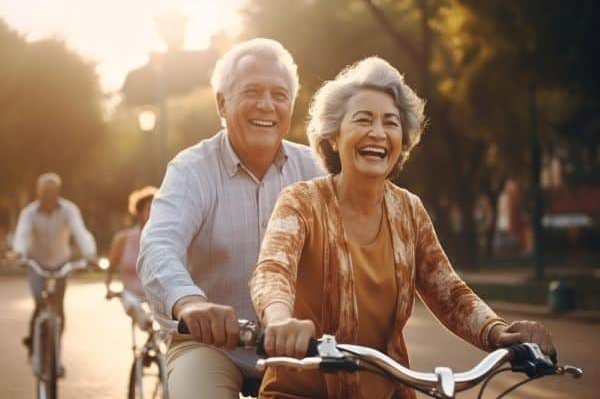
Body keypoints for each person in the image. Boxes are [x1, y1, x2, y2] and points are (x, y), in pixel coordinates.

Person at [250, 57, 555, 399]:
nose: (378, 133)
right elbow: (273, 270)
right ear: (333, 137)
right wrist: (279, 320)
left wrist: (499, 333)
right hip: (298, 392)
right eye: (363, 119)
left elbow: (449, 292)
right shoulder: (301, 201)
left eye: (391, 123)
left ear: (402, 141)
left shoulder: (410, 210)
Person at [137, 38, 323, 399]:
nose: (266, 104)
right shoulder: (191, 170)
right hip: (209, 346)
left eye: (279, 94)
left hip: (297, 350)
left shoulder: (315, 169)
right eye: (251, 91)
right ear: (222, 103)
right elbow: (158, 246)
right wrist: (190, 303)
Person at [13, 172, 96, 363]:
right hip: (37, 264)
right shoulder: (29, 213)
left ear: (57, 192)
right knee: (39, 301)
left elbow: (79, 231)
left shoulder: (69, 210)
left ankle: (55, 349)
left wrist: (89, 253)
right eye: (44, 192)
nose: (47, 196)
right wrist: (19, 252)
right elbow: (22, 234)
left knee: (58, 308)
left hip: (60, 264)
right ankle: (33, 341)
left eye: (51, 191)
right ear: (38, 192)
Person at [106, 186, 157, 330]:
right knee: (132, 303)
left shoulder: (164, 239)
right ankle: (146, 325)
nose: (155, 212)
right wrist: (108, 288)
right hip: (131, 295)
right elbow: (111, 267)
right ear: (139, 213)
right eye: (150, 208)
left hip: (156, 295)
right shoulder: (122, 239)